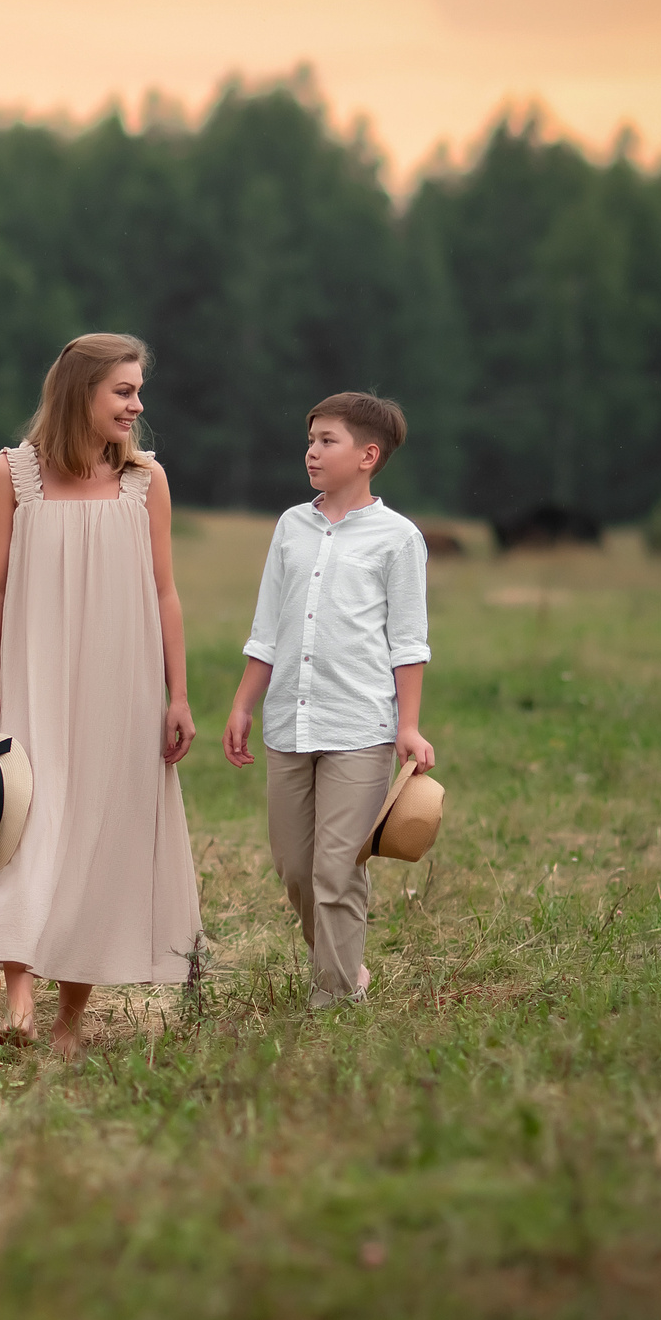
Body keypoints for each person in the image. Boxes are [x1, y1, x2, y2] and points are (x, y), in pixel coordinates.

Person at [0, 333, 204, 1055]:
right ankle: (18, 1001)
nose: (137, 404)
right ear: (81, 393)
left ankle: (70, 1021)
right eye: (123, 391)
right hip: (33, 677)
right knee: (26, 830)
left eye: (138, 391)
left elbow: (165, 591)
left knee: (100, 841)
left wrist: (179, 695)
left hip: (120, 685)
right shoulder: (12, 475)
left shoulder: (146, 481)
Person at [221, 392, 433, 1010]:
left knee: (338, 871)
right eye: (310, 440)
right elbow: (268, 627)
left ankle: (335, 999)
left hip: (360, 725)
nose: (312, 451)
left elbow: (409, 642)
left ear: (368, 455)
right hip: (289, 719)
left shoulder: (398, 539)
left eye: (328, 440)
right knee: (295, 869)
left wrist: (408, 726)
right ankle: (346, 966)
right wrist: (243, 704)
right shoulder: (291, 526)